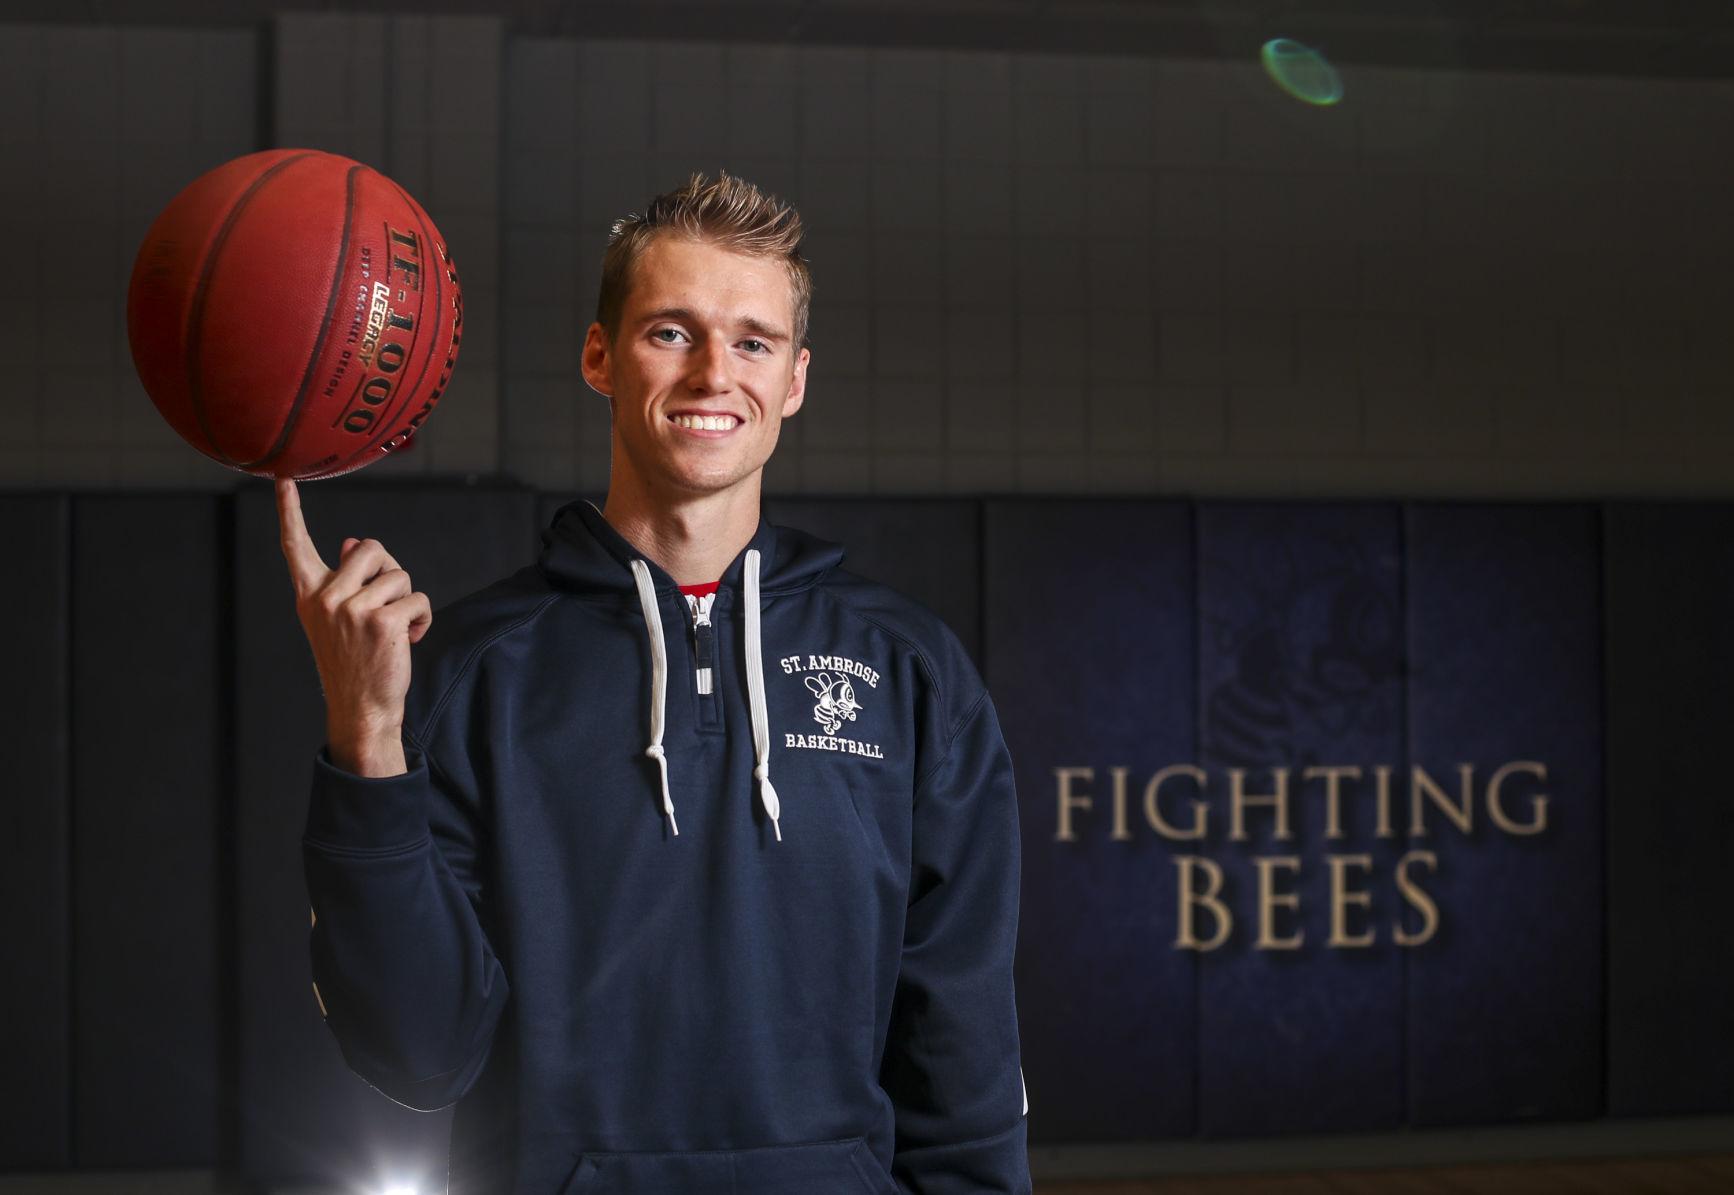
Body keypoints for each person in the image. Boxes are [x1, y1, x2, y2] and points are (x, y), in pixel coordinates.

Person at [277, 171, 1031, 1194]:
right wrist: (368, 733)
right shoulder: (468, 671)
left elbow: (964, 1058)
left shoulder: (910, 671)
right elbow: (419, 1054)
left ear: (795, 380)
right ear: (600, 356)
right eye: (671, 331)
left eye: (753, 341)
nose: (715, 372)